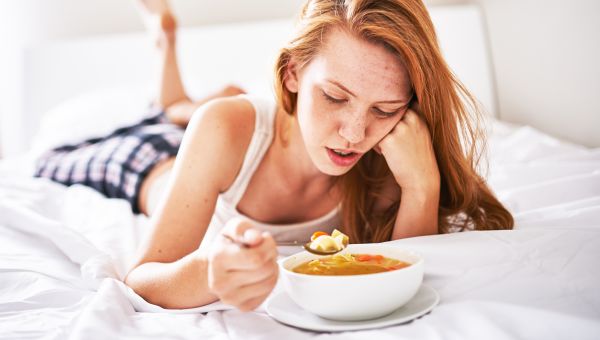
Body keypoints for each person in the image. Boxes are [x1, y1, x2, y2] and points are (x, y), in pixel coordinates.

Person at [35, 0, 514, 312]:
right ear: (291, 74)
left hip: (237, 135)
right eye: (334, 96)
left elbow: (408, 273)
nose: (354, 134)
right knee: (141, 138)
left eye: (384, 109)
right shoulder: (226, 128)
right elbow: (142, 279)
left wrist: (421, 186)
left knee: (194, 111)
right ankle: (169, 59)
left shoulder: (389, 158)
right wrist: (208, 272)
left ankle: (179, 92)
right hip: (153, 168)